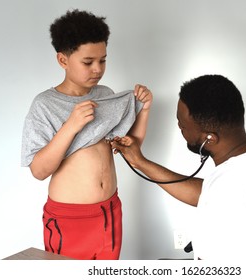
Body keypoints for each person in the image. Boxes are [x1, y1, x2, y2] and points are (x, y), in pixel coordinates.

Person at [111, 74, 246, 260]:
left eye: (183, 126)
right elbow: (211, 193)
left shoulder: (230, 189)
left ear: (209, 138)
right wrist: (140, 162)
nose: (179, 127)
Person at [21, 9, 153, 260]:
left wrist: (144, 110)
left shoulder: (106, 94)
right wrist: (71, 125)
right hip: (70, 218)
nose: (97, 69)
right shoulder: (45, 104)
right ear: (62, 60)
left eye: (103, 60)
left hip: (109, 210)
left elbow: (130, 146)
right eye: (88, 62)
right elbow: (38, 171)